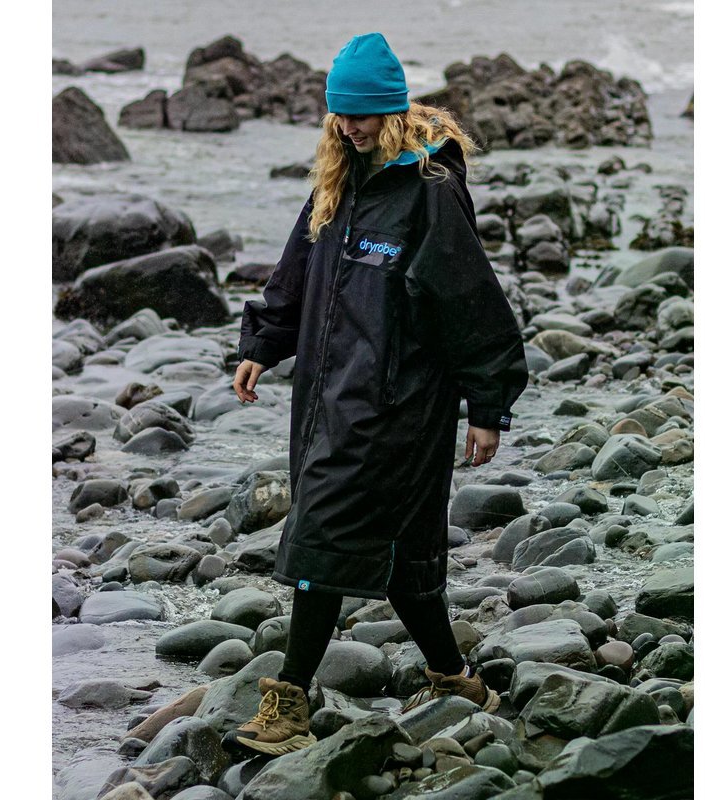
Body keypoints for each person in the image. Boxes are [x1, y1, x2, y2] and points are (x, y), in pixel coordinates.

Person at [222, 32, 528, 756]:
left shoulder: (428, 191)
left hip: (400, 407)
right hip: (328, 400)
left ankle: (289, 704)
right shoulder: (339, 181)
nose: (349, 127)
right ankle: (456, 678)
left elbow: (470, 304)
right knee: (403, 558)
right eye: (340, 115)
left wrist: (487, 407)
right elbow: (297, 271)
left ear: (390, 112)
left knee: (320, 540)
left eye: (360, 116)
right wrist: (263, 342)